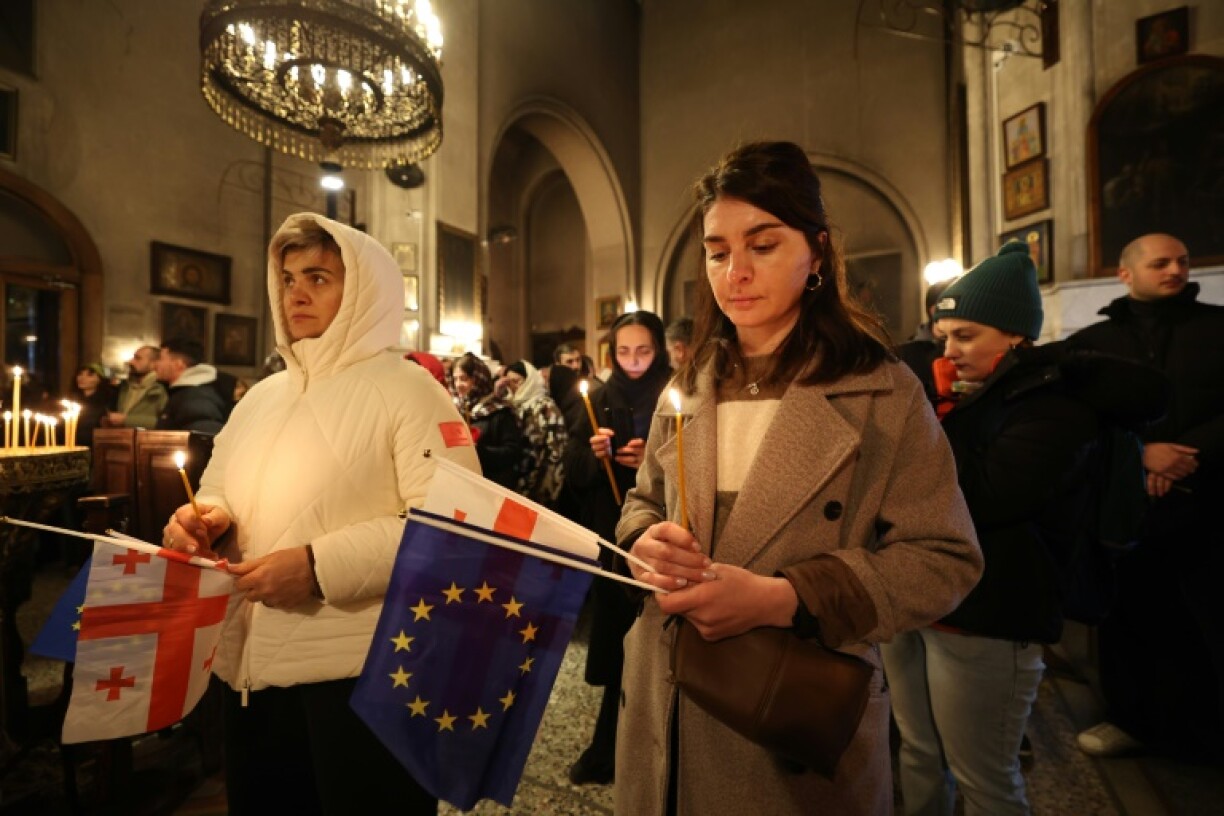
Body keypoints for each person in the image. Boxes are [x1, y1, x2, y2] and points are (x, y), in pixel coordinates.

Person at [614, 142, 983, 815]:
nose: (736, 273)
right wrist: (645, 542)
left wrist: (785, 597)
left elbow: (946, 559)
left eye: (763, 244)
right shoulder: (692, 383)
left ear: (816, 253)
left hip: (789, 713)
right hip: (666, 699)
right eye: (718, 251)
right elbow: (642, 501)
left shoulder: (879, 390)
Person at [162, 213, 479, 815]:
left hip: (365, 672)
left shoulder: (410, 390)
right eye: (286, 278)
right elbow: (220, 487)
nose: (296, 292)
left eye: (318, 276)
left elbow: (456, 527)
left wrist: (315, 565)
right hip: (252, 666)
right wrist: (201, 518)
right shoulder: (262, 395)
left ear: (362, 288)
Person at [883, 243, 1167, 816]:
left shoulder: (1054, 406)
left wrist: (920, 429)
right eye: (944, 336)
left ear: (1014, 336)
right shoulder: (960, 397)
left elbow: (987, 496)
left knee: (985, 777)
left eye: (965, 336)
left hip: (991, 612)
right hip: (914, 600)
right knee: (916, 753)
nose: (949, 350)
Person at [1066, 233, 1224, 761]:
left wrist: (1191, 452)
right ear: (1126, 274)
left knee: (1206, 621)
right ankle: (1130, 720)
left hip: (1208, 502)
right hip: (1128, 507)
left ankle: (1206, 733)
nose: (1176, 269)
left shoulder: (1217, 329)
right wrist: (1142, 454)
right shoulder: (1093, 343)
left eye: (1181, 260)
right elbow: (1076, 418)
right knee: (1130, 619)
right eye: (1161, 263)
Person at [563, 310, 673, 786]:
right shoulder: (600, 398)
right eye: (623, 351)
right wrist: (596, 455)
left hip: (663, 533)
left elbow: (695, 460)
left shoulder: (674, 393)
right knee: (616, 642)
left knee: (662, 641)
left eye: (643, 351)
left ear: (659, 349)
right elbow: (571, 472)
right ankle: (609, 744)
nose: (632, 362)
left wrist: (652, 454)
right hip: (612, 538)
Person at [451, 352, 526, 490]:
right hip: (465, 486)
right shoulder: (457, 410)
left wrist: (479, 450)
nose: (458, 385)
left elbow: (512, 452)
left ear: (479, 379)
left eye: (464, 379)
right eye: (455, 379)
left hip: (492, 487)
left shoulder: (498, 411)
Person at [500, 360, 568, 506]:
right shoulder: (509, 405)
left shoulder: (545, 406)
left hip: (541, 481)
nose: (513, 387)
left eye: (517, 381)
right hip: (517, 481)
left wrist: (546, 485)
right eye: (509, 382)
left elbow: (556, 448)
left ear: (529, 380)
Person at [153, 337, 228, 434]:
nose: (155, 364)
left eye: (160, 359)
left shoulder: (197, 398)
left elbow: (203, 440)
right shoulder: (184, 393)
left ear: (178, 364)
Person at [105, 345, 168, 429]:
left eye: (138, 358)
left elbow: (166, 423)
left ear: (153, 363)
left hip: (148, 440)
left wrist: (127, 420)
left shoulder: (163, 389)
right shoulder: (124, 387)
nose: (131, 362)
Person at [67, 363, 116, 447]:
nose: (82, 378)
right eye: (80, 374)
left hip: (95, 444)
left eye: (89, 375)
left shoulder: (107, 401)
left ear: (100, 379)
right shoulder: (71, 400)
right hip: (71, 443)